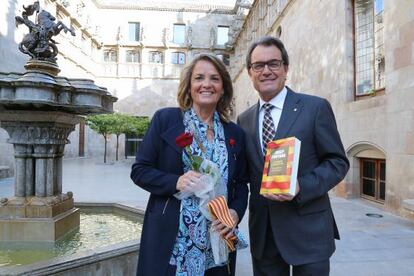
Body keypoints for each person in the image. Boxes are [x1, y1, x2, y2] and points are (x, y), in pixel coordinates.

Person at [237, 36, 350, 276]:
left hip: (308, 232)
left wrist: (300, 186)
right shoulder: (244, 120)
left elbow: (337, 162)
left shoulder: (315, 108)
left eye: (274, 63)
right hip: (264, 236)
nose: (266, 71)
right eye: (259, 65)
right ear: (250, 72)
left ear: (285, 68)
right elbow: (243, 174)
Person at [131, 53, 249, 276]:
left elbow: (242, 184)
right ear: (189, 86)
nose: (207, 84)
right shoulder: (166, 120)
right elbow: (140, 171)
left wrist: (234, 212)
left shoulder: (235, 133)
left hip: (217, 238)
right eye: (199, 78)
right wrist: (176, 181)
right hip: (173, 237)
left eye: (214, 79)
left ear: (223, 88)